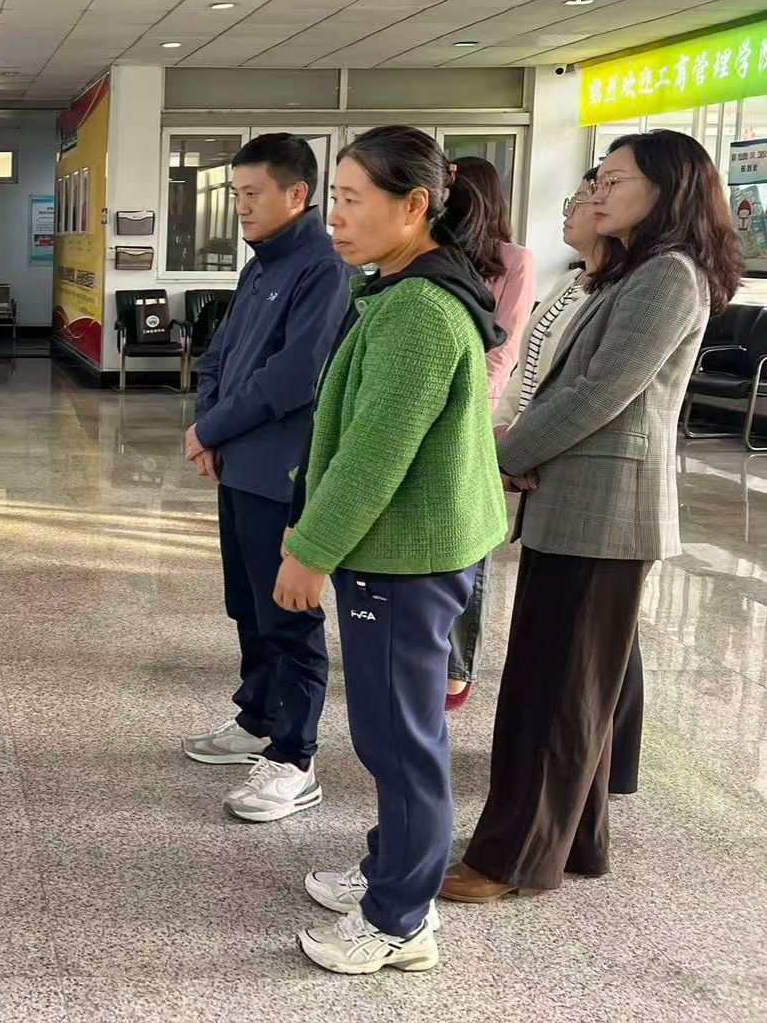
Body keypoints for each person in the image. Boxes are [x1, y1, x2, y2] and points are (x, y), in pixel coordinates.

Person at [444, 129, 743, 903]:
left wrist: (501, 456)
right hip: (577, 502)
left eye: (615, 181)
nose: (598, 192)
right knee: (573, 691)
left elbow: (597, 394)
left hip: (604, 510)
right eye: (598, 179)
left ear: (668, 192)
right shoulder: (626, 273)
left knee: (551, 696)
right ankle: (576, 841)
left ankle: (510, 862)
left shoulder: (668, 276)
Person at [271, 125, 507, 976]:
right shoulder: (403, 289)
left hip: (407, 563)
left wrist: (310, 551)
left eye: (351, 200)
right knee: (391, 733)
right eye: (333, 199)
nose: (335, 217)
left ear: (413, 207)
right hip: (403, 554)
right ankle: (390, 869)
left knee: (401, 743)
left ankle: (401, 921)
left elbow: (374, 454)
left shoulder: (417, 311)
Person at [180, 133, 352, 824]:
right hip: (239, 467)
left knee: (287, 615)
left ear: (297, 194)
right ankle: (256, 716)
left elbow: (294, 376)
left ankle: (294, 756)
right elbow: (220, 355)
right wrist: (208, 424)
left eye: (252, 194)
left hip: (283, 471)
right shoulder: (260, 265)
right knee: (247, 605)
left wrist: (212, 429)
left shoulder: (323, 269)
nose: (241, 206)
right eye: (236, 193)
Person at [494, 167, 642, 797]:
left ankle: (606, 767)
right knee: (594, 642)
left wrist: (514, 451)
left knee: (598, 641)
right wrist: (502, 439)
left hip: (584, 479)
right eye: (585, 193)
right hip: (539, 455)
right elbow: (529, 372)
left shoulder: (645, 283)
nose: (578, 207)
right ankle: (598, 767)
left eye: (592, 195)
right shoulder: (571, 282)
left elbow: (590, 394)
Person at [442, 157, 535, 710]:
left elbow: (504, 345)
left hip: (471, 412)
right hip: (422, 405)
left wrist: (471, 408)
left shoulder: (514, 260)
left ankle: (457, 666)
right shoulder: (434, 251)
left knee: (466, 538)